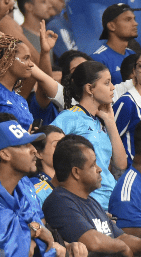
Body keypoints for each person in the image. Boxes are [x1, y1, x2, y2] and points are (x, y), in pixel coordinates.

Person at [44, 134, 141, 257]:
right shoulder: (59, 201)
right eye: (93, 165)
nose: (99, 169)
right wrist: (123, 247)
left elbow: (120, 236)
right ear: (76, 172)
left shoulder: (91, 201)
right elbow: (93, 241)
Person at [0, 120, 62, 257]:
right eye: (25, 145)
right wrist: (35, 231)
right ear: (5, 154)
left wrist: (33, 234)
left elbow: (47, 248)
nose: (34, 150)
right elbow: (3, 253)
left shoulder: (21, 185)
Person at [54, 59, 128, 209]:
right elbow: (49, 152)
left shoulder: (102, 120)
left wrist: (110, 121)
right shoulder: (69, 117)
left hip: (111, 200)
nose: (113, 88)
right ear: (90, 89)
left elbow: (121, 164)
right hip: (88, 202)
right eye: (107, 83)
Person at [94, 3, 141, 84]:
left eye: (134, 19)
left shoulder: (131, 53)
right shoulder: (98, 59)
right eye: (128, 19)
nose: (135, 23)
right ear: (112, 26)